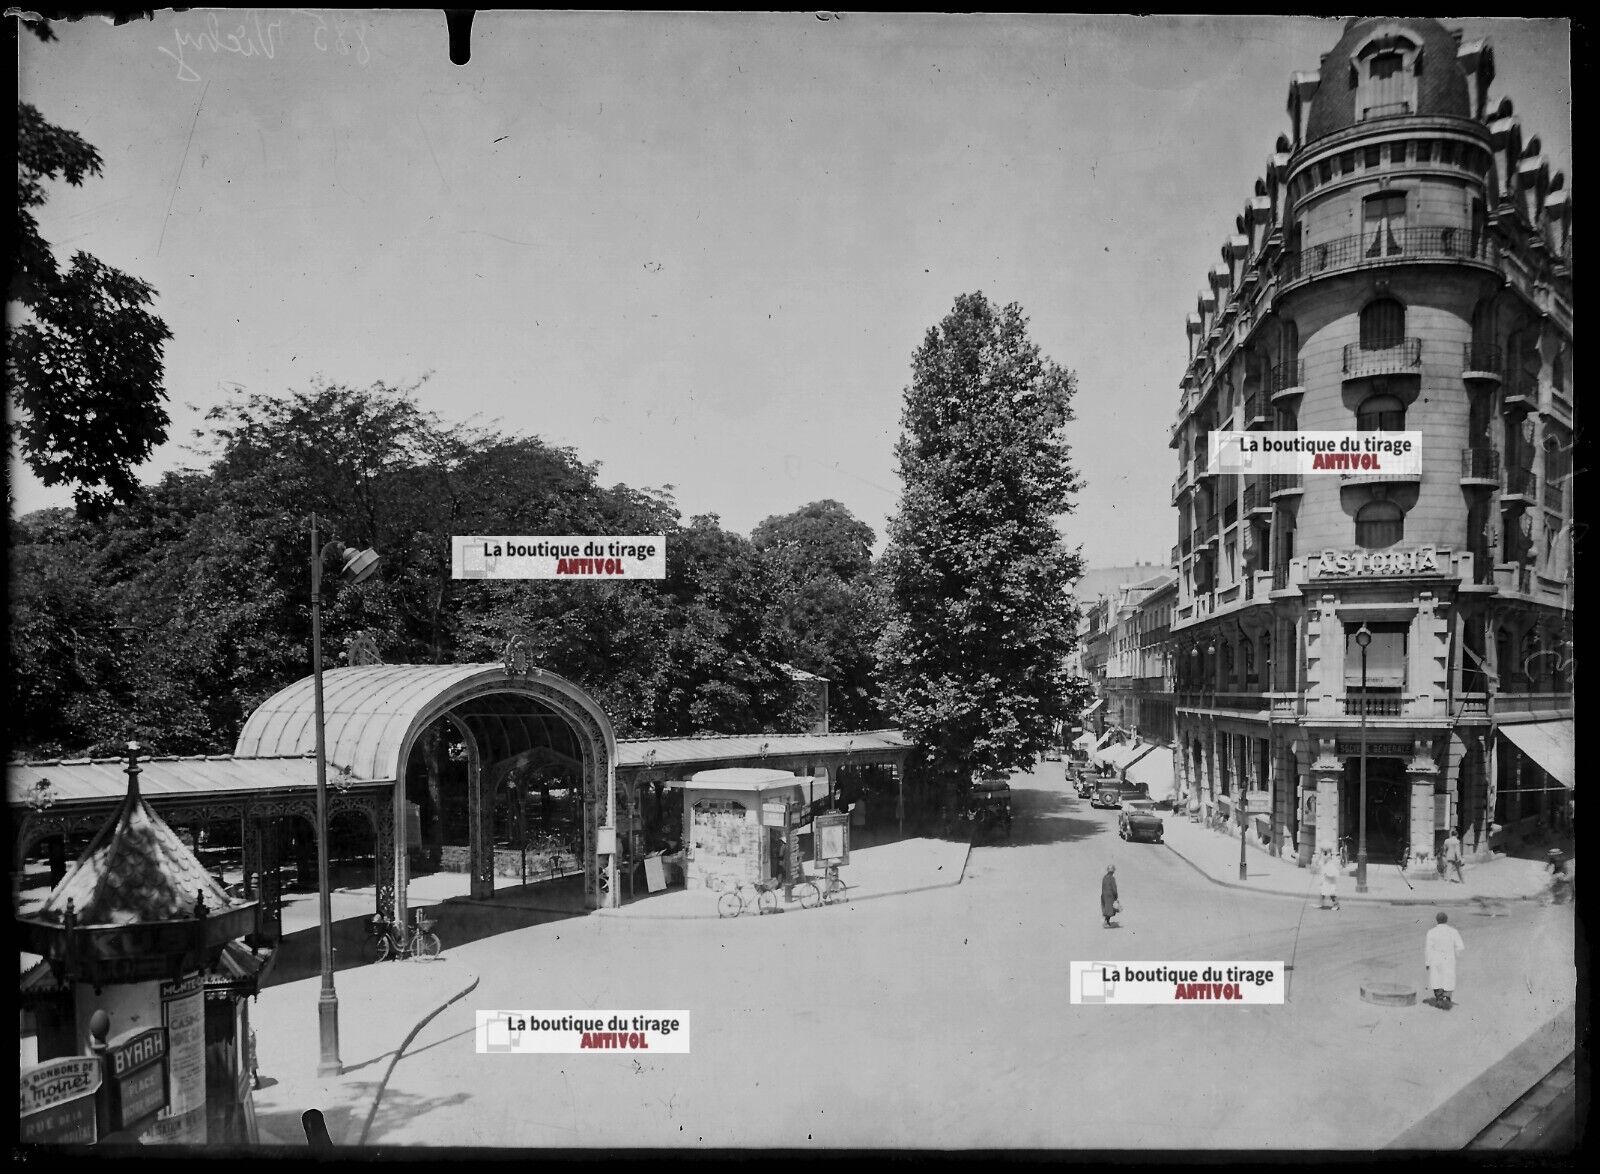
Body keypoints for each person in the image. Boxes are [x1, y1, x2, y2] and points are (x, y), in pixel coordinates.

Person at [1424, 911, 1465, 1009]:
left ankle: (1439, 998)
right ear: (1446, 920)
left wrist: (1427, 962)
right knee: (1448, 977)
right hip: (1449, 959)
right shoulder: (1453, 931)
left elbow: (1428, 948)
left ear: (1437, 920)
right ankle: (1447, 996)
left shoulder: (1431, 932)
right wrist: (1457, 955)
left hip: (1436, 959)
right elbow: (1460, 947)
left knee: (1436, 978)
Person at [1318, 847, 1341, 911]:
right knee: (1323, 891)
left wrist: (1328, 874)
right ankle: (1320, 903)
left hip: (1330, 880)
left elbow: (1333, 871)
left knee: (1331, 894)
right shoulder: (1326, 857)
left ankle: (1336, 905)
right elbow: (1321, 863)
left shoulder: (1328, 858)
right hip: (1326, 879)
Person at [1100, 864, 1120, 928]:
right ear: (1113, 871)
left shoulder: (1104, 877)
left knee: (1107, 908)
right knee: (1110, 909)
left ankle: (1107, 922)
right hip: (1110, 895)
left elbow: (1103, 887)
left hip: (1104, 895)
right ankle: (1106, 922)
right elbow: (1114, 888)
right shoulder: (1112, 878)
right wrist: (1116, 895)